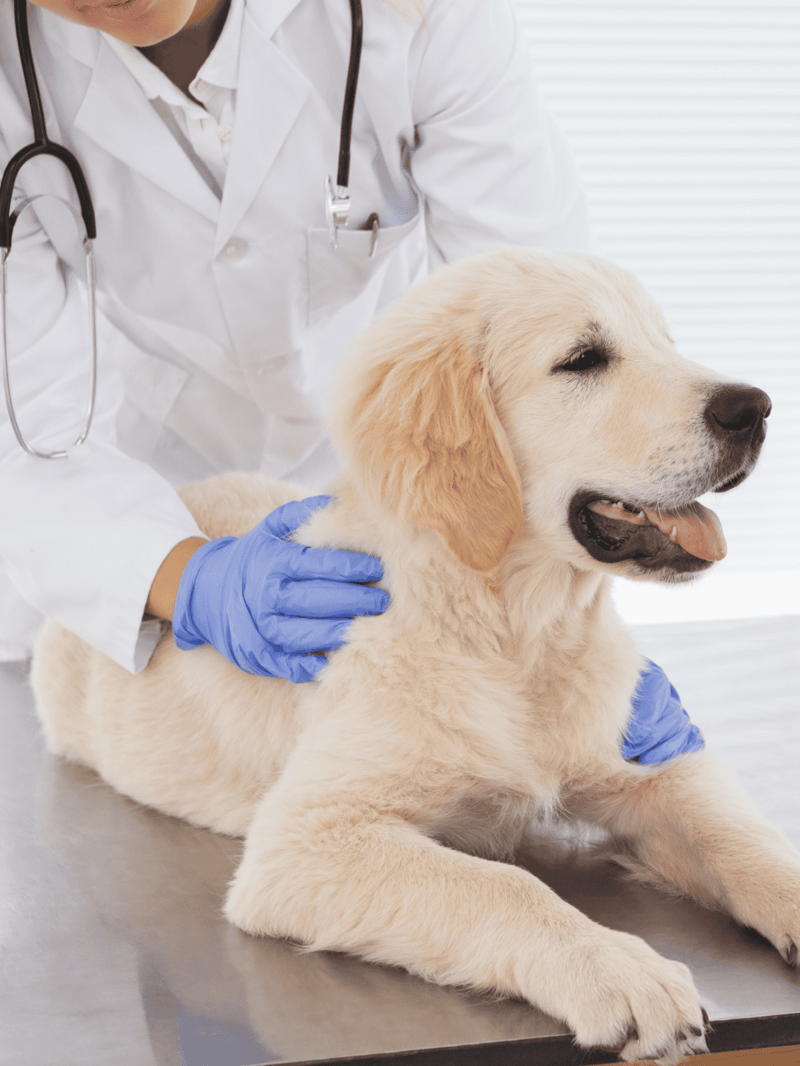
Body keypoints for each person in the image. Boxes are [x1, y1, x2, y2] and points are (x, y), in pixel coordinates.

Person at [1, 0, 594, 680]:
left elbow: (538, 338)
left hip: (392, 489)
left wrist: (573, 638)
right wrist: (191, 581)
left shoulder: (426, 17)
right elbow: (21, 424)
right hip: (133, 512)